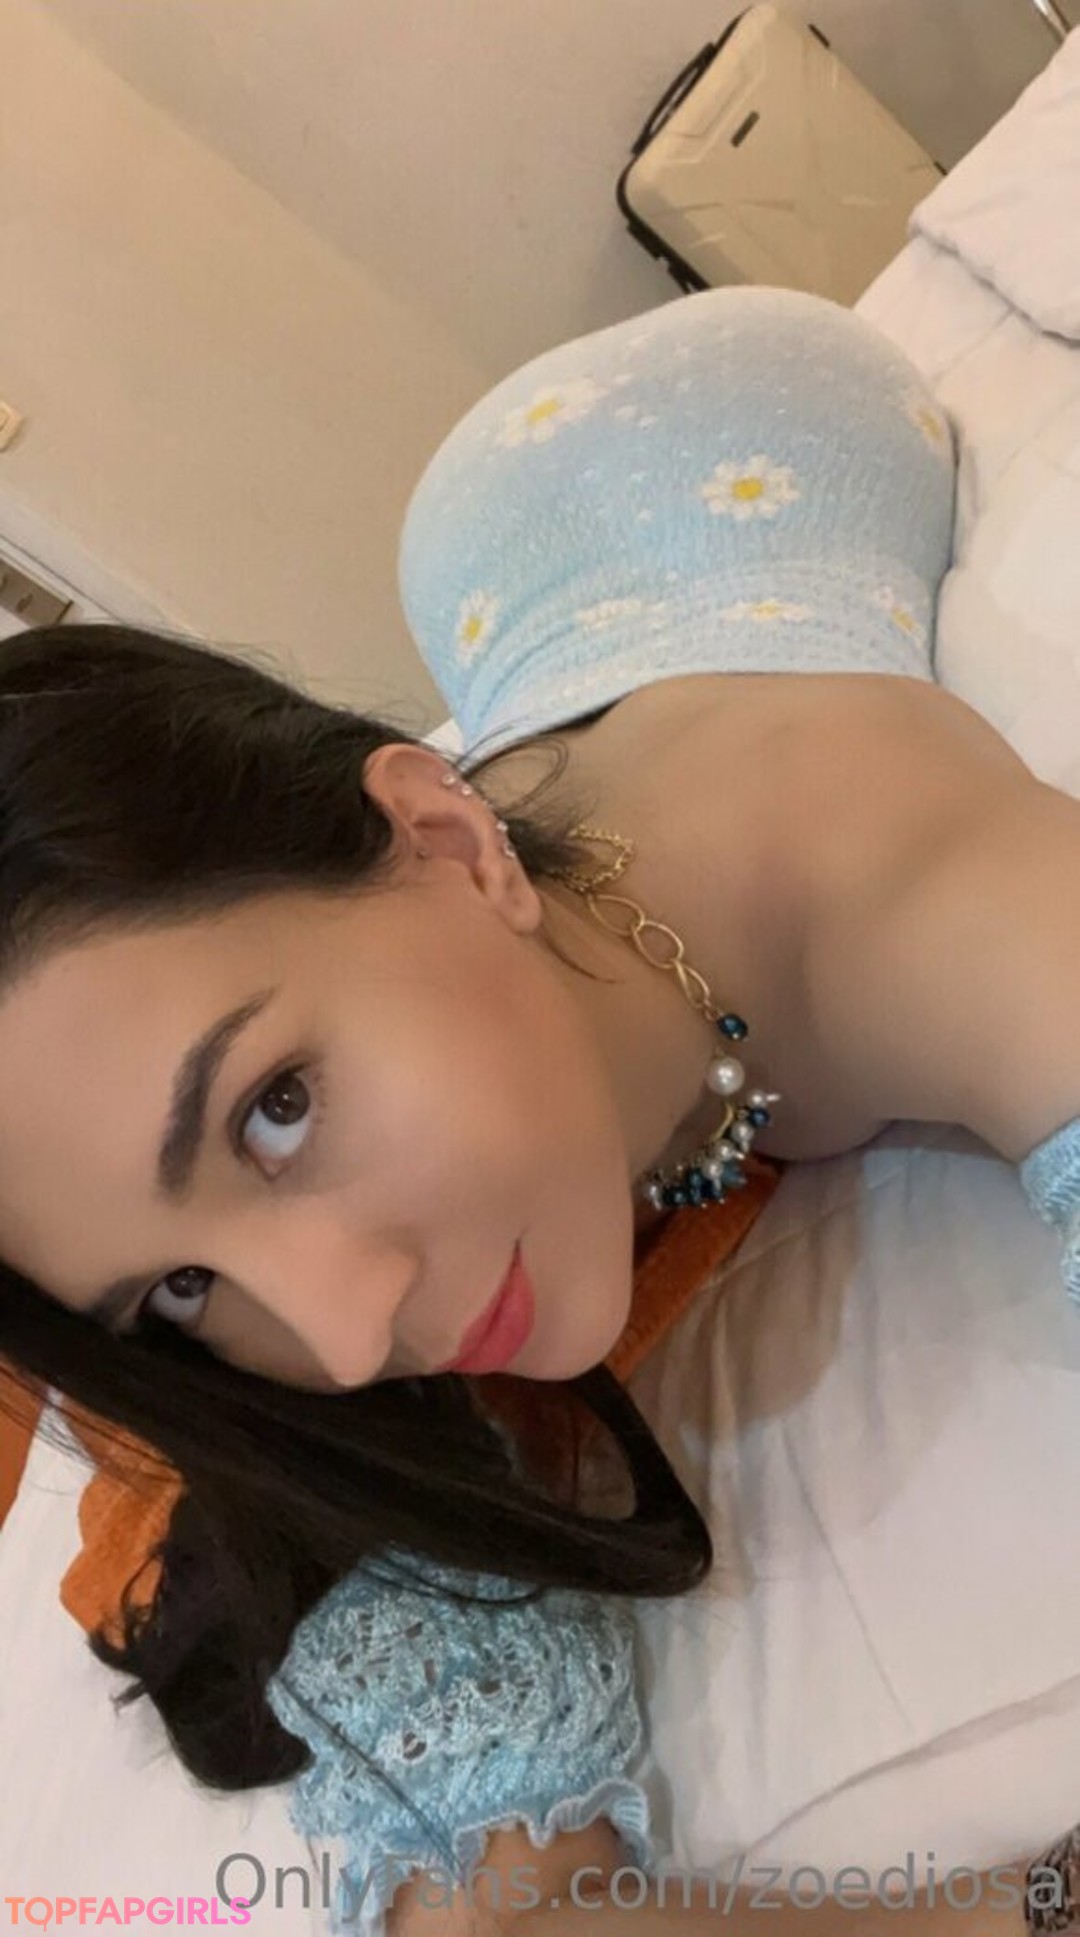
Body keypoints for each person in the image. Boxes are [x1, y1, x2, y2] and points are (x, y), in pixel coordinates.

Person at [0, 287, 1077, 1935]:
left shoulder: (941, 906)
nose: (348, 1333)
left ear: (446, 839)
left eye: (276, 1107)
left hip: (645, 430)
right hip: (512, 625)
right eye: (181, 1287)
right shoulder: (431, 1077)